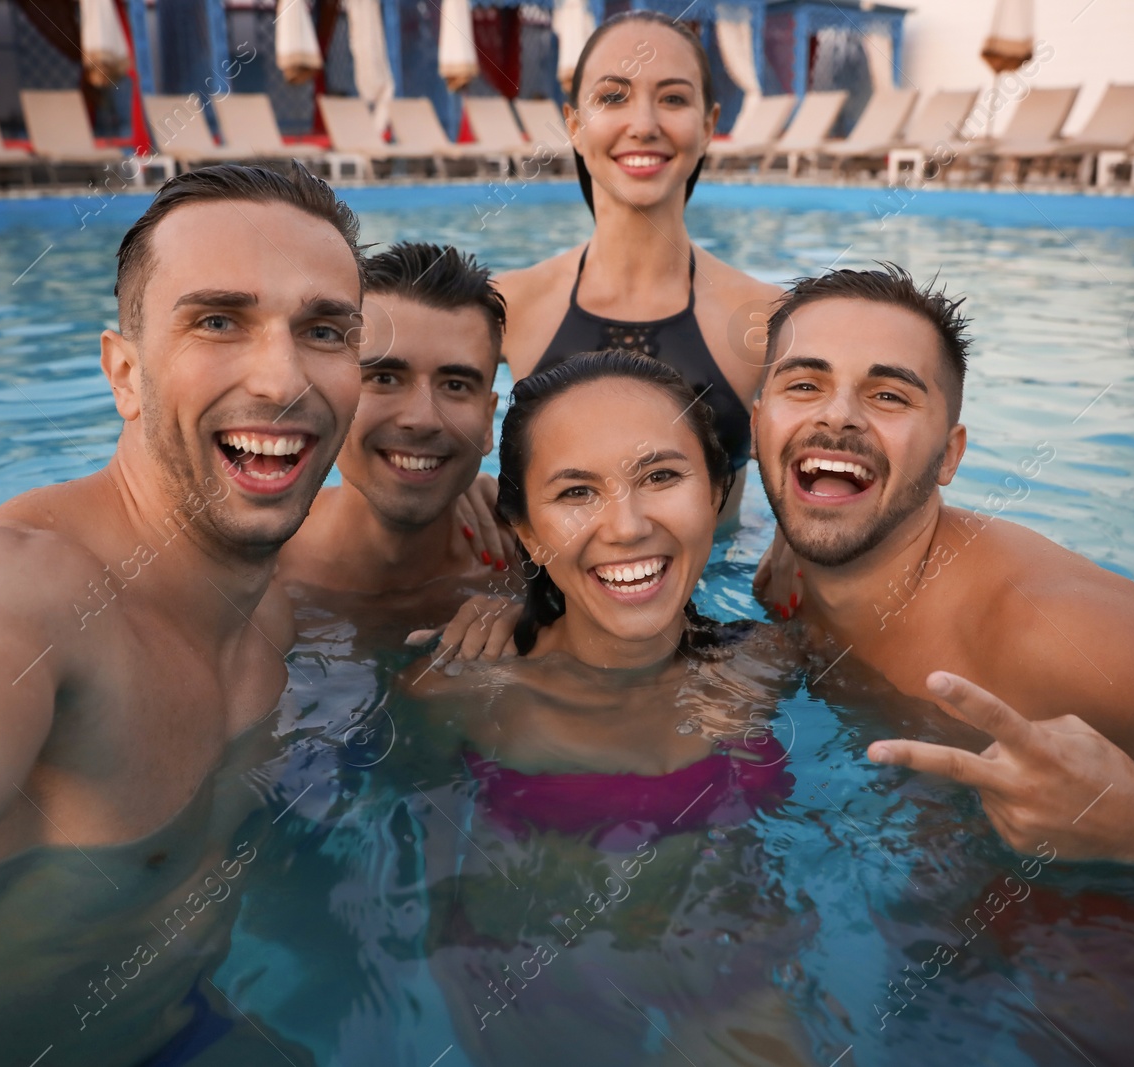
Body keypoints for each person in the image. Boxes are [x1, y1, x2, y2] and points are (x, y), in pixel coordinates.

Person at [0, 164, 359, 1061]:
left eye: (322, 330)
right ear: (125, 372)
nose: (281, 379)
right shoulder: (22, 593)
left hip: (174, 1027)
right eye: (218, 320)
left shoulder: (274, 601)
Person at [749, 265, 1134, 865]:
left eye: (889, 395)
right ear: (757, 424)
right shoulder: (790, 564)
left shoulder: (1059, 632)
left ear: (947, 457)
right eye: (804, 385)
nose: (837, 416)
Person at [397, 351, 813, 1064]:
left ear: (716, 493)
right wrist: (444, 947)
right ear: (525, 531)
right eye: (576, 492)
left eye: (660, 476)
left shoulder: (764, 662)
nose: (625, 526)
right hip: (532, 972)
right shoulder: (465, 688)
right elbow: (405, 831)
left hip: (725, 965)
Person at [493, 10, 780, 519]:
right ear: (575, 127)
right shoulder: (509, 303)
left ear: (709, 125)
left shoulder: (767, 316)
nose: (644, 125)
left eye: (672, 98)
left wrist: (793, 545)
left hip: (714, 592)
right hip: (543, 597)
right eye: (612, 97)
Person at [278, 242, 511, 627]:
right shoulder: (250, 570)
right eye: (384, 378)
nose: (422, 419)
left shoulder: (535, 573)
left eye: (455, 385)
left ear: (488, 422)